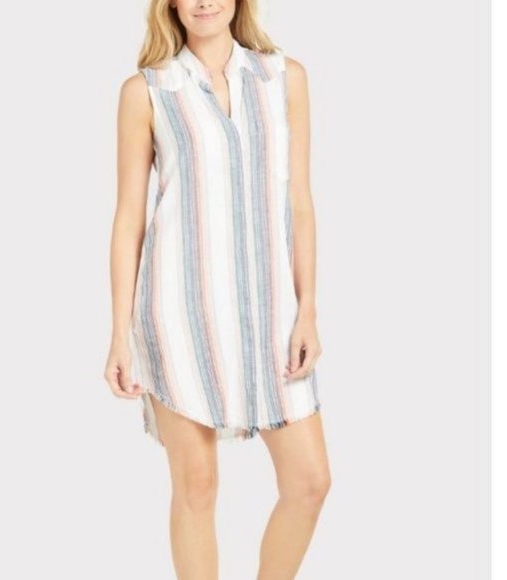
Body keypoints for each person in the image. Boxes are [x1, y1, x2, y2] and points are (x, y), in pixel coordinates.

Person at [104, 0, 331, 577]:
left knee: (309, 482)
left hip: (273, 313)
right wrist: (119, 334)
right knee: (197, 484)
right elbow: (129, 218)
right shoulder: (147, 92)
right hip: (179, 312)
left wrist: (307, 309)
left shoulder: (284, 78)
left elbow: (300, 204)